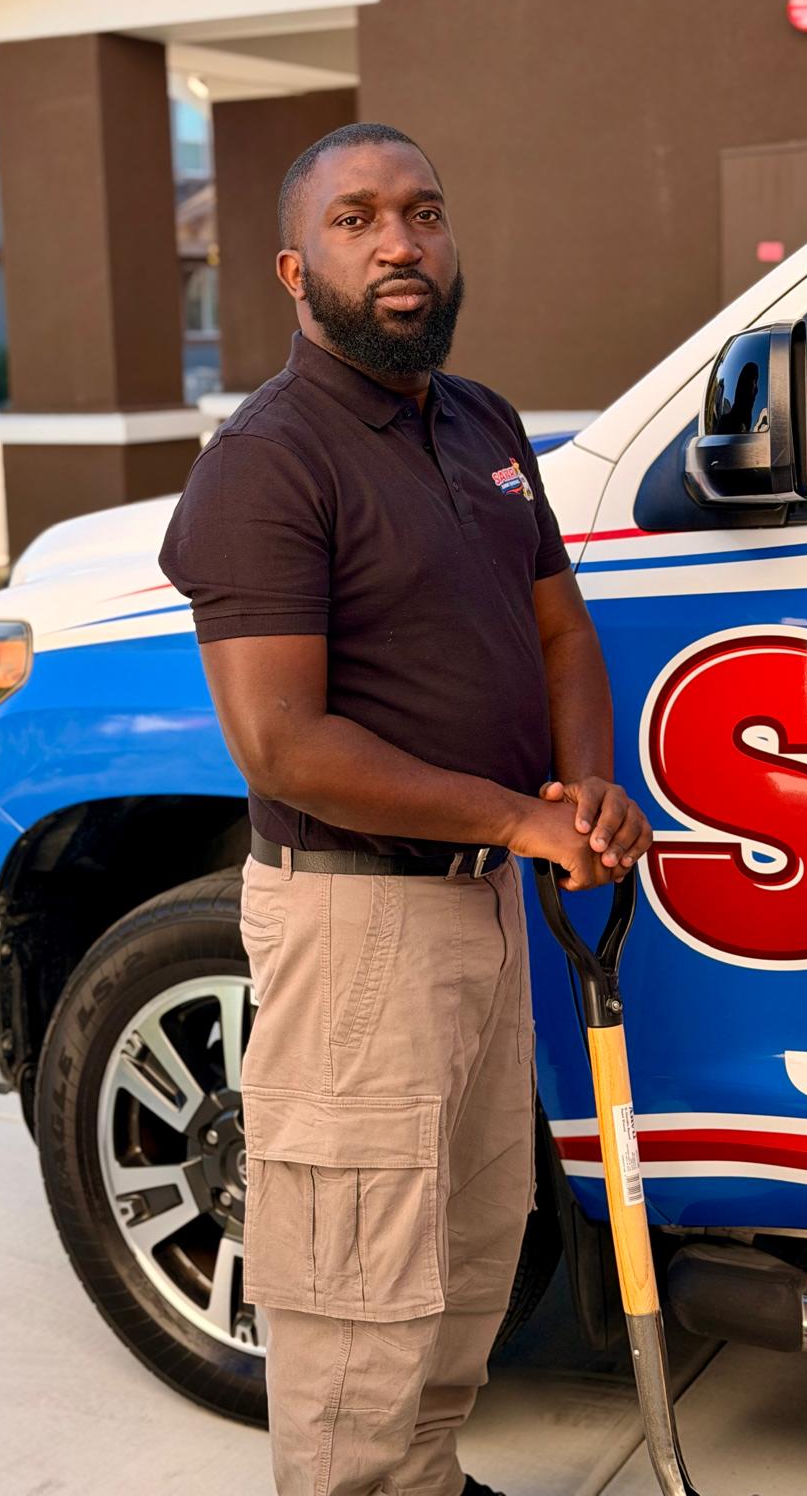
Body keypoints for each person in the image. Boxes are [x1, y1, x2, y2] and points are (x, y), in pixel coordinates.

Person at [158, 123, 652, 1496]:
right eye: (357, 218)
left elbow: (560, 632)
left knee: (469, 1251)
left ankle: (424, 1480)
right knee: (358, 1291)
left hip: (481, 908)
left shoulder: (482, 421)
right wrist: (517, 819)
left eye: (422, 213)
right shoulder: (267, 461)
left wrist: (585, 791)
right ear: (293, 269)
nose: (399, 243)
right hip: (356, 930)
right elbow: (283, 744)